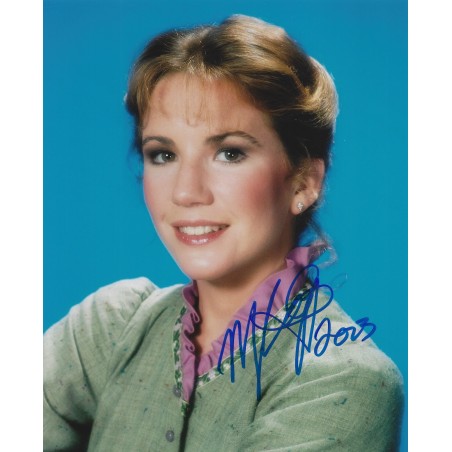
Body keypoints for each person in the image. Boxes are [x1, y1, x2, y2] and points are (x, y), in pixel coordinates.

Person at [44, 14, 403, 451]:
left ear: (303, 182)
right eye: (163, 155)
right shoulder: (113, 326)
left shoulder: (344, 379)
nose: (186, 191)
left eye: (230, 153)